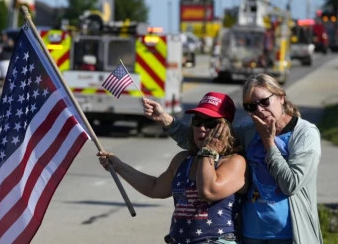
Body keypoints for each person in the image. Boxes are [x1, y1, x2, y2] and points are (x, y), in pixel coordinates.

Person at [142, 73, 323, 244]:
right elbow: (205, 139)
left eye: (265, 101)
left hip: (289, 234)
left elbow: (290, 185)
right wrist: (164, 119)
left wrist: (269, 144)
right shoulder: (250, 130)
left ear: (281, 97)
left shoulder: (304, 134)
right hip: (251, 234)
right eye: (251, 107)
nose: (259, 110)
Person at [98, 92, 247, 244]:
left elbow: (208, 191)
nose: (201, 128)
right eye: (197, 121)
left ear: (225, 128)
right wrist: (118, 166)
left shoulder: (234, 162)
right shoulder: (183, 160)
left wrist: (208, 151)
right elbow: (154, 187)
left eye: (210, 123)